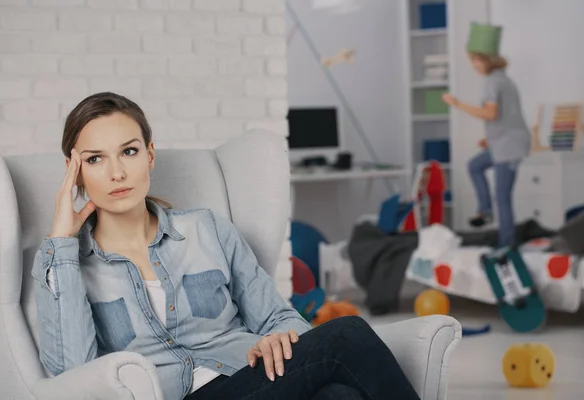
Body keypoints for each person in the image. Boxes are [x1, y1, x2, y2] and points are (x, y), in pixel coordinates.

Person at [31, 92, 420, 400]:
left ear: (150, 156)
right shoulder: (65, 266)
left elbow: (278, 318)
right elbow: (73, 375)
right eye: (95, 159)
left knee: (340, 396)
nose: (117, 172)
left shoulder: (207, 229)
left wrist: (278, 339)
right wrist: (62, 242)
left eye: (129, 151)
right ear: (75, 171)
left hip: (252, 379)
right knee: (346, 335)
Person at [442, 22, 530, 248]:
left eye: (475, 60)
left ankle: (506, 245)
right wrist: (491, 139)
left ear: (485, 59)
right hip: (504, 142)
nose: (473, 65)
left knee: (503, 198)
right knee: (474, 165)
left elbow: (491, 114)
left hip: (509, 147)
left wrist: (458, 104)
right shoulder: (503, 79)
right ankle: (485, 210)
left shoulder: (492, 82)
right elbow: (507, 116)